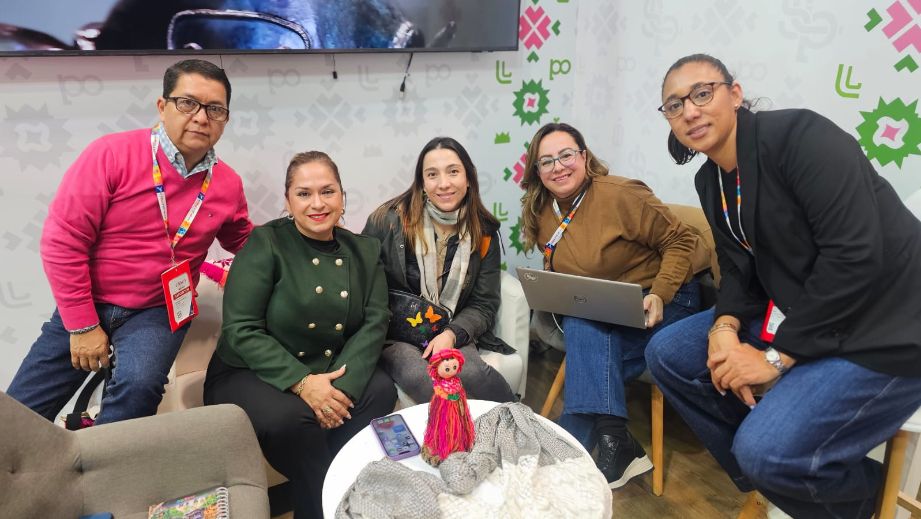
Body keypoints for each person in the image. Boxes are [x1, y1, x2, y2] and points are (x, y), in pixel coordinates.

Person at [646, 53, 921, 519]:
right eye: (674, 105)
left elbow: (854, 255)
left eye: (702, 93)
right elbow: (738, 268)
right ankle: (786, 473)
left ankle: (853, 495)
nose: (689, 111)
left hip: (886, 320)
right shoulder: (710, 180)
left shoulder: (800, 137)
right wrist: (724, 326)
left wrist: (775, 358)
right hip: (807, 310)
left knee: (765, 450)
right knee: (668, 354)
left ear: (735, 94)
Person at [7, 59, 252, 425]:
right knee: (17, 416)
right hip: (91, 299)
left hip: (158, 309)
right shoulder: (110, 154)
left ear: (225, 119)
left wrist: (303, 236)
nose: (201, 118)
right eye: (188, 103)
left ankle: (106, 459)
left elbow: (244, 239)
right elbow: (63, 241)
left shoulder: (227, 183)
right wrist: (83, 326)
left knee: (139, 387)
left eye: (215, 109)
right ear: (162, 106)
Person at [203, 151, 395, 519]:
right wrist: (304, 384)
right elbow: (241, 330)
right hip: (251, 371)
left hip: (329, 367)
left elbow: (375, 321)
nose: (317, 204)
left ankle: (325, 494)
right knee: (293, 420)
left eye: (328, 191)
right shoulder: (265, 243)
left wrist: (339, 391)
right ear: (288, 201)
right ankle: (329, 506)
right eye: (304, 194)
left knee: (380, 390)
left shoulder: (364, 250)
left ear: (342, 197)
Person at [519, 122, 711, 488]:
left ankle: (574, 436)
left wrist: (660, 293)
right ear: (537, 171)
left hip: (664, 300)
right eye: (546, 161)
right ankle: (615, 438)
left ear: (584, 157)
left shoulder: (621, 194)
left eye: (566, 155)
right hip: (604, 308)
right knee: (584, 323)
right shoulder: (543, 209)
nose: (558, 167)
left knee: (585, 336)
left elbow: (681, 241)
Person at [363, 137, 516, 404]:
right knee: (420, 377)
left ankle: (518, 421)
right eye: (432, 175)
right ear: (422, 182)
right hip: (397, 334)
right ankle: (454, 430)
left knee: (474, 373)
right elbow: (363, 284)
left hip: (450, 325)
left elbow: (484, 304)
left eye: (453, 171)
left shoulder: (484, 231)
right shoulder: (388, 221)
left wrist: (451, 334)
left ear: (468, 178)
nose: (444, 183)